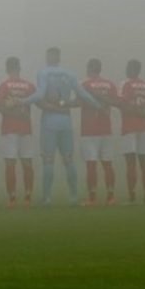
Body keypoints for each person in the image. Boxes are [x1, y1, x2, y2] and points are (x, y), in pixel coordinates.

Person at [21, 47, 100, 206]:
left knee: (48, 160)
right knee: (69, 160)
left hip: (50, 122)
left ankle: (47, 197)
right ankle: (73, 196)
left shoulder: (44, 73)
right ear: (59, 58)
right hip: (66, 121)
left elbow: (39, 94)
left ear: (49, 57)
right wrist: (98, 105)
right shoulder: (69, 74)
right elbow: (83, 94)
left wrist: (20, 101)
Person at [0, 57, 36, 208]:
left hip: (9, 129)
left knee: (10, 164)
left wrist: (12, 113)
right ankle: (28, 197)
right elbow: (37, 100)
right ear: (19, 68)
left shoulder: (4, 85)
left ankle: (12, 198)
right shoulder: (29, 86)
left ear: (7, 69)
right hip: (26, 128)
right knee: (27, 163)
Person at [80, 59, 118, 206]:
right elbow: (115, 102)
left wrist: (62, 103)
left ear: (89, 68)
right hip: (106, 129)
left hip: (89, 130)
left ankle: (92, 198)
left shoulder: (84, 84)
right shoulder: (109, 84)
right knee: (107, 164)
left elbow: (78, 102)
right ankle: (111, 196)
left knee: (91, 164)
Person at [118, 60, 145, 205]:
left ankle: (132, 197)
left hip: (129, 127)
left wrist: (132, 110)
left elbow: (121, 104)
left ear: (131, 69)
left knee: (131, 163)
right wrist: (142, 111)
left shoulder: (125, 84)